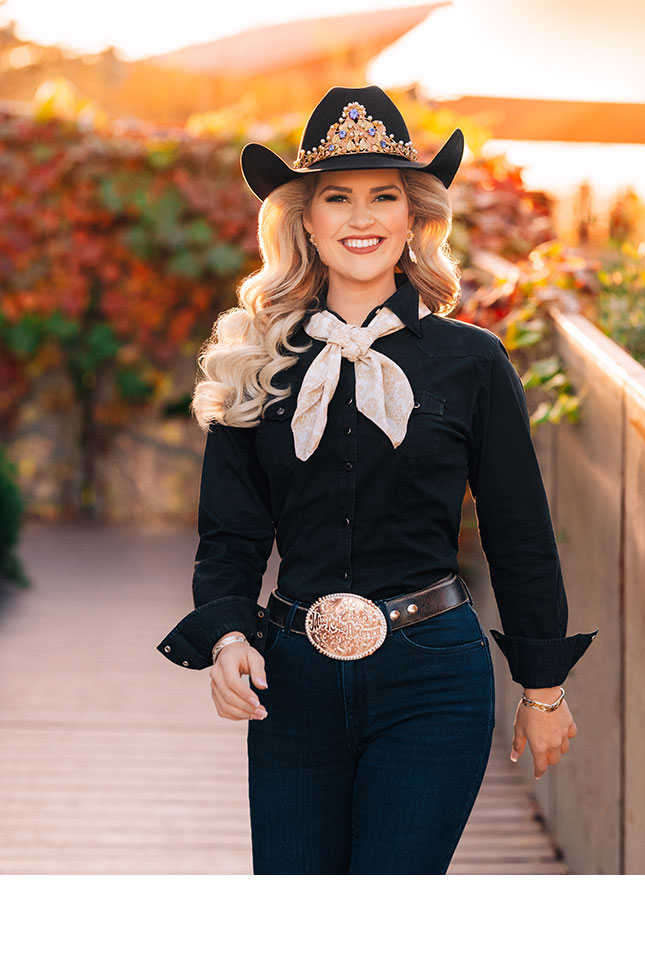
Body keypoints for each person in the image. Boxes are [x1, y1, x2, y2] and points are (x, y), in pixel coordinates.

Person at [157, 86, 596, 874]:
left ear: (413, 217)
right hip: (292, 682)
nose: (361, 219)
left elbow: (519, 533)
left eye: (383, 197)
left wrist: (542, 689)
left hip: (434, 677)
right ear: (306, 220)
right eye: (338, 198)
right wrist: (227, 636)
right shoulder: (255, 361)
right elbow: (230, 533)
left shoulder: (473, 363)